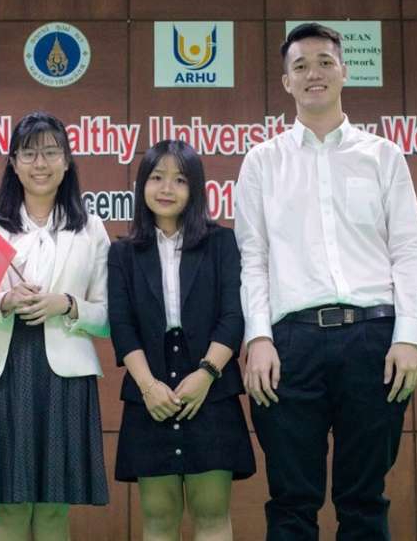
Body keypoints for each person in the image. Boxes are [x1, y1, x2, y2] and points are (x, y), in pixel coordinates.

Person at [235, 22, 417, 540]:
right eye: (300, 66)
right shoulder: (261, 162)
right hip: (289, 347)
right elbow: (253, 259)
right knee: (291, 502)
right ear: (286, 82)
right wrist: (258, 338)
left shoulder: (384, 156)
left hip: (374, 342)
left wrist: (409, 336)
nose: (313, 74)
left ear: (344, 72)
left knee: (364, 500)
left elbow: (410, 251)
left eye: (324, 62)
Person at [0, 111, 110, 541]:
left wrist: (67, 305)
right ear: (13, 164)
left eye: (51, 153)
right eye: (29, 154)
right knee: (8, 507)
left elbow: (109, 317)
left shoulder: (90, 229)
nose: (41, 164)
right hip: (1, 375)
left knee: (55, 509)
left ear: (67, 161)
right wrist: (3, 302)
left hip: (65, 379)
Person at [108, 140, 254, 541]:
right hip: (149, 390)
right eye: (157, 178)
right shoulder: (123, 253)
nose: (166, 188)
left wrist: (206, 373)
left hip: (212, 386)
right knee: (158, 517)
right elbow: (121, 325)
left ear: (196, 188)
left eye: (179, 180)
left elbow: (233, 317)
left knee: (212, 513)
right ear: (142, 185)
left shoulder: (221, 243)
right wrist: (148, 386)